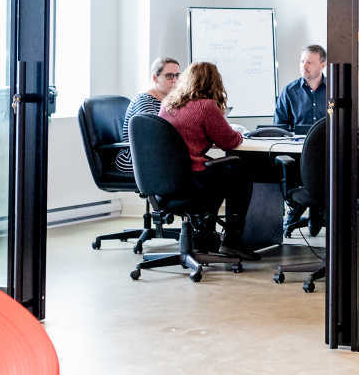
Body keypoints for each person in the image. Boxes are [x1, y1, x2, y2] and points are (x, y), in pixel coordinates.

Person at [159, 61, 252, 249]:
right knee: (240, 170)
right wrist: (241, 134)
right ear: (214, 83)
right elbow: (230, 142)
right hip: (193, 178)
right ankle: (233, 236)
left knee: (216, 171)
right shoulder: (206, 106)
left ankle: (206, 230)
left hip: (165, 180)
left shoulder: (167, 104)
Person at [114, 56, 181, 178]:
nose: (175, 80)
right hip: (135, 159)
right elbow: (156, 135)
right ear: (155, 78)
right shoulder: (144, 100)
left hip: (157, 156)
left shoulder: (170, 101)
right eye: (169, 76)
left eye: (177, 75)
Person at [274, 44, 329, 129]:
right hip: (297, 142)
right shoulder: (289, 91)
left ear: (323, 65)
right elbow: (279, 127)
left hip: (328, 141)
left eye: (309, 63)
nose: (304, 66)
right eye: (302, 61)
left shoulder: (333, 90)